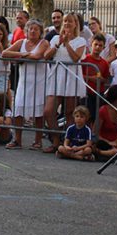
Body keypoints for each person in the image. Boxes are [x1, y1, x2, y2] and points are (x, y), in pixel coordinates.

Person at [43, 13, 88, 153]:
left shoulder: (81, 41)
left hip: (71, 76)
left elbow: (76, 58)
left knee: (69, 112)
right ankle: (56, 140)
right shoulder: (56, 38)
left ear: (76, 24)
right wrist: (58, 44)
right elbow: (46, 55)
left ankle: (68, 143)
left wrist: (67, 43)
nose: (67, 23)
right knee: (48, 111)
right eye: (65, 21)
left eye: (70, 21)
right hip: (57, 75)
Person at [3, 19, 50, 150]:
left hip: (39, 81)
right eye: (31, 29)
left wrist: (20, 57)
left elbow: (37, 56)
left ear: (40, 32)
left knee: (38, 112)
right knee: (18, 108)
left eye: (36, 29)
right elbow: (5, 53)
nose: (33, 31)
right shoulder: (21, 42)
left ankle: (38, 141)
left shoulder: (44, 42)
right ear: (27, 31)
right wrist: (22, 54)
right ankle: (17, 140)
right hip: (24, 80)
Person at [82, 33, 111, 122]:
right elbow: (78, 75)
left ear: (104, 47)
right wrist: (91, 78)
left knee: (96, 117)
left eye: (100, 45)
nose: (98, 47)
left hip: (99, 94)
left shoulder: (105, 63)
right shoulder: (84, 60)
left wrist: (101, 79)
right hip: (86, 93)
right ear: (91, 44)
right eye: (96, 44)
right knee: (86, 116)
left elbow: (106, 79)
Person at [95, 85, 117, 160]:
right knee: (101, 144)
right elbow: (95, 133)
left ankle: (108, 153)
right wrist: (109, 142)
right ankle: (102, 153)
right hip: (105, 142)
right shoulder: (103, 110)